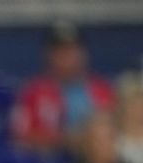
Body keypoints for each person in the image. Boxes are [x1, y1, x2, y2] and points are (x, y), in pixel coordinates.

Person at [10, 21, 114, 152]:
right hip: (51, 161)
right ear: (49, 55)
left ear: (82, 53)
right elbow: (19, 136)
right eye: (60, 51)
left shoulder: (101, 89)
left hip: (97, 159)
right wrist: (63, 139)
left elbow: (117, 129)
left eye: (71, 50)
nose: (66, 57)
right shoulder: (33, 92)